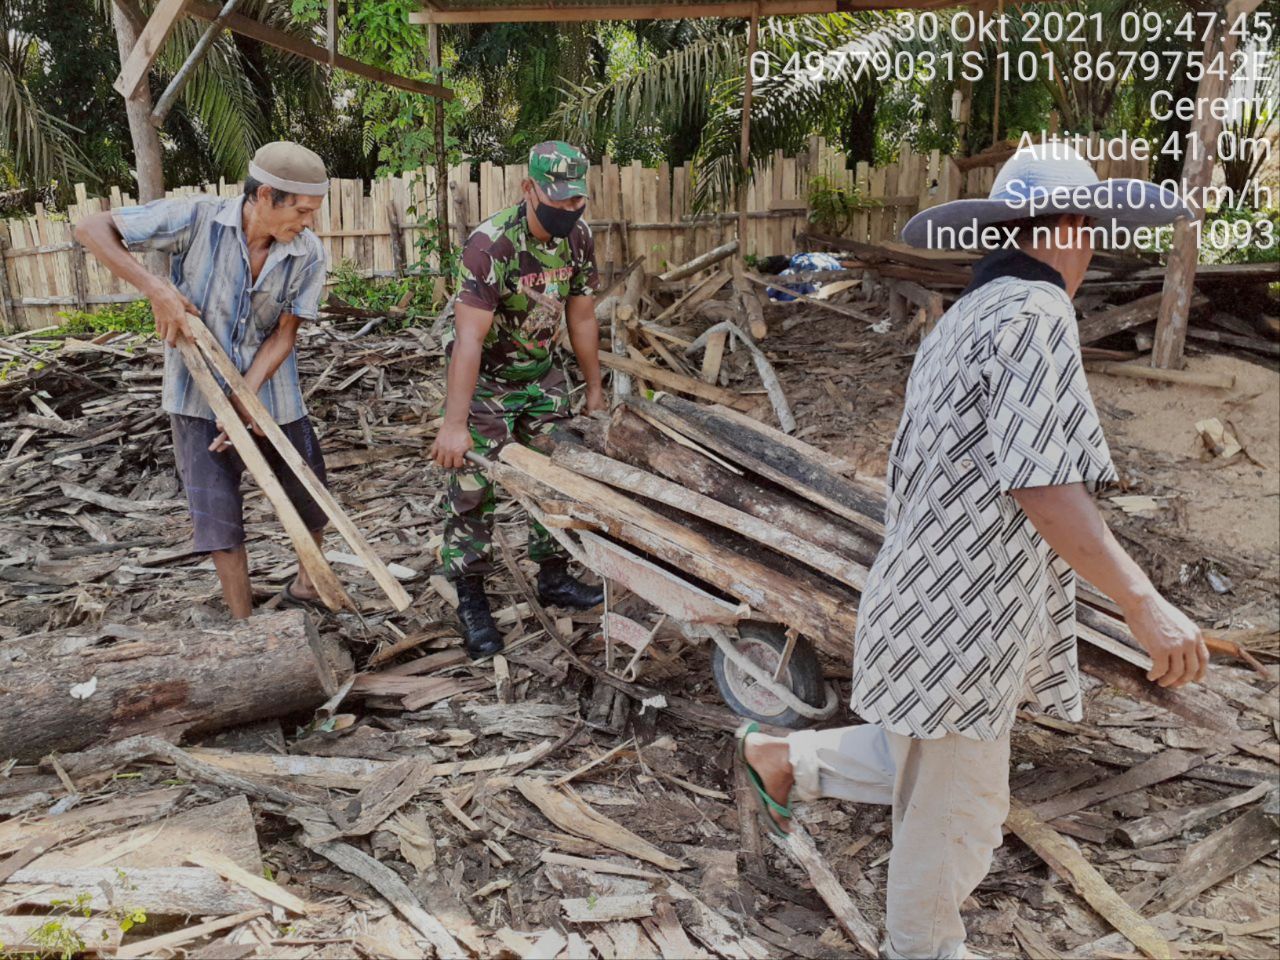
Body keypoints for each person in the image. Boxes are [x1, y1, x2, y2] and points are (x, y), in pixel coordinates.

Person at [737, 142, 1206, 960]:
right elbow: (1046, 487)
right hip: (963, 619)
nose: (1092, 243)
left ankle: (781, 756)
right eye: (1089, 226)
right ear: (1067, 226)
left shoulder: (971, 315)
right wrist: (1143, 602)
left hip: (927, 600)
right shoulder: (1035, 316)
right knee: (957, 814)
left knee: (923, 761)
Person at [76, 142, 331, 620]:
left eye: (312, 212)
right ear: (266, 195)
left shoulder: (308, 253)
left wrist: (242, 398)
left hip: (272, 394)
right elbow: (91, 228)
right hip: (196, 392)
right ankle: (243, 623)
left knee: (309, 493)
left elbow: (284, 335)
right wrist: (157, 290)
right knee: (217, 514)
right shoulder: (196, 217)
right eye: (300, 209)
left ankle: (307, 587)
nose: (308, 222)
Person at [429, 141, 606, 660]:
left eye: (577, 201)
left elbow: (582, 317)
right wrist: (454, 424)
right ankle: (471, 597)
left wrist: (593, 389)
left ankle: (553, 574)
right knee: (472, 488)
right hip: (486, 383)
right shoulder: (491, 246)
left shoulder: (579, 241)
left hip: (543, 378)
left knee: (554, 479)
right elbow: (469, 340)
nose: (569, 210)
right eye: (558, 200)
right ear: (528, 188)